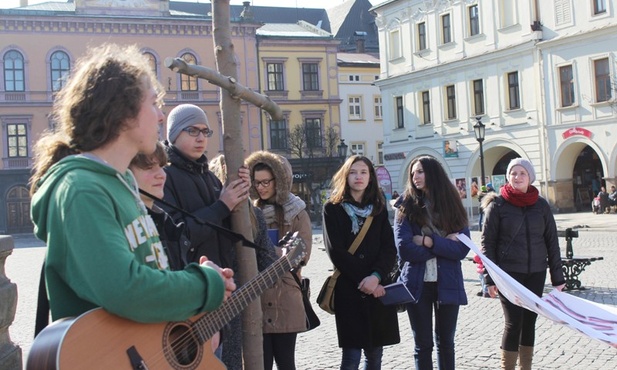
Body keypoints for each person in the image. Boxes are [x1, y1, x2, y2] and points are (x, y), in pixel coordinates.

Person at [29, 44, 235, 332]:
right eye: (153, 103)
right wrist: (203, 284)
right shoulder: (81, 188)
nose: (161, 116)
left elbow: (147, 279)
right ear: (123, 114)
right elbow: (124, 289)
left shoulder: (119, 182)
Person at [161, 103, 250, 368]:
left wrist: (241, 195)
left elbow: (228, 233)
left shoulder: (210, 178)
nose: (200, 137)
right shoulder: (163, 178)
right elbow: (179, 237)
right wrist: (222, 205)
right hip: (190, 299)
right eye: (192, 130)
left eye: (205, 131)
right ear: (174, 134)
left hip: (219, 295)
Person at [480, 158, 565, 370]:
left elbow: (551, 242)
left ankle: (526, 367)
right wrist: (490, 279)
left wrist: (558, 277)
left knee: (529, 323)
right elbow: (487, 244)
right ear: (508, 177)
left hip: (536, 273)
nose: (517, 177)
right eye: (513, 173)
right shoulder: (498, 205)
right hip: (508, 276)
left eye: (522, 173)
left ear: (530, 177)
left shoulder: (541, 205)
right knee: (513, 322)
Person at [322, 155, 400, 370]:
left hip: (378, 288)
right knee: (351, 356)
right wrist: (363, 279)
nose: (359, 177)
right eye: (353, 172)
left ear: (370, 177)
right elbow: (336, 252)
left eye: (363, 172)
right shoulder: (332, 208)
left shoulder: (378, 208)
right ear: (346, 177)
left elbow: (388, 248)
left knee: (375, 355)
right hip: (350, 288)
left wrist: (375, 277)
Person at [393, 155, 470, 370]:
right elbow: (405, 249)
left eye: (420, 171)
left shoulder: (452, 205)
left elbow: (462, 248)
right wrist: (443, 245)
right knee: (422, 345)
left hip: (448, 280)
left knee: (446, 343)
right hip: (417, 283)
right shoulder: (405, 206)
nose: (415, 176)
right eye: (413, 172)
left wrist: (428, 241)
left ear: (433, 173)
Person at [209, 154, 279, 370]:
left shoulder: (211, 212)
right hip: (239, 306)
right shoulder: (252, 213)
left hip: (210, 303)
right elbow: (268, 261)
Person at [245, 150, 313, 370]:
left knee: (286, 363)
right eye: (257, 183)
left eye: (266, 182)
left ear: (279, 181)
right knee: (259, 364)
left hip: (285, 295)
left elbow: (301, 254)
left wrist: (269, 250)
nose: (261, 187)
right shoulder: (247, 212)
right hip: (257, 296)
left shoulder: (296, 211)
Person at [129, 142, 190, 271]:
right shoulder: (126, 224)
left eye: (162, 166)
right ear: (126, 175)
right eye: (149, 167)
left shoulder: (166, 222)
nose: (162, 175)